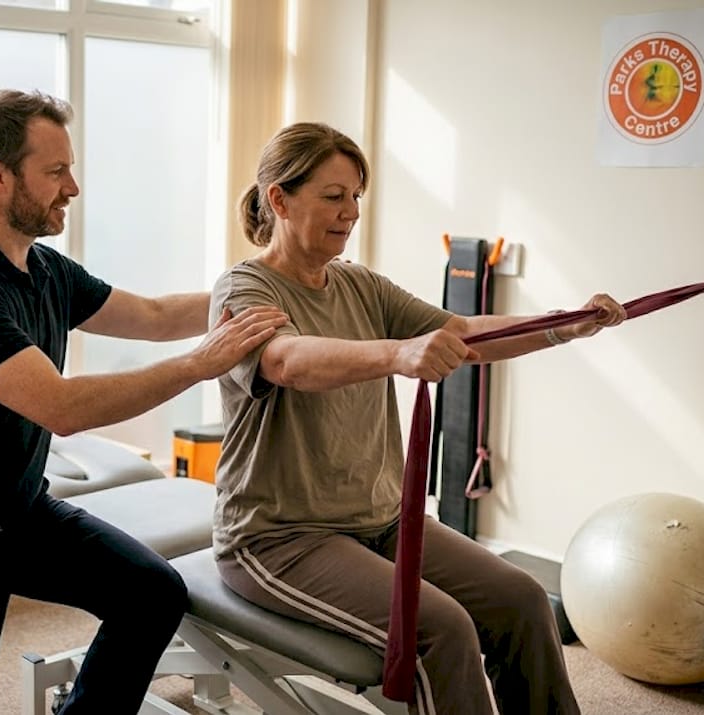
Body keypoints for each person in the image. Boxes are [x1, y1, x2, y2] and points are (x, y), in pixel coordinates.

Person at [0, 88, 288, 715]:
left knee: (150, 594)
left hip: (20, 515)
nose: (73, 187)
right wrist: (202, 363)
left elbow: (151, 314)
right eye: (56, 171)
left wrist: (260, 282)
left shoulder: (47, 271)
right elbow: (61, 407)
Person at [208, 122, 626, 715]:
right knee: (443, 630)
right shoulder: (242, 288)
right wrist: (399, 352)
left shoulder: (360, 285)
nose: (350, 212)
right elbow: (287, 360)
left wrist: (562, 324)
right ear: (279, 198)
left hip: (378, 522)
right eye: (333, 196)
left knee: (524, 601)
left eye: (356, 196)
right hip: (278, 538)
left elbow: (463, 335)